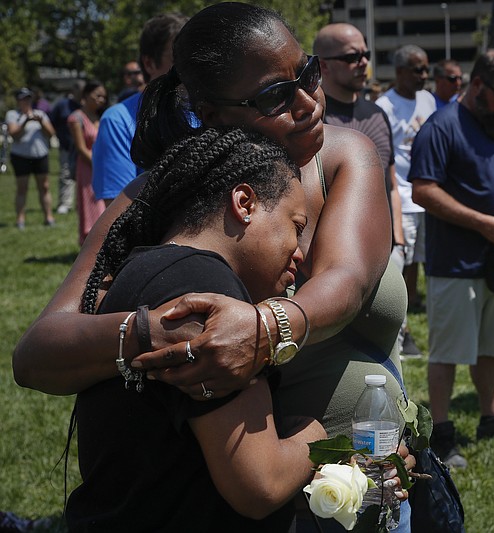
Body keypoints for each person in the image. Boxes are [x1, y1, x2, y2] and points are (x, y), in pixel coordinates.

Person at [13, 4, 412, 529]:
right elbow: (38, 353)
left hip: (366, 481)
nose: (308, 101)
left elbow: (347, 282)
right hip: (246, 503)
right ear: (212, 110)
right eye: (275, 94)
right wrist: (154, 334)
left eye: (308, 73)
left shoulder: (343, 156)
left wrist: (263, 328)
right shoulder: (165, 195)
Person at [66, 128, 326, 531]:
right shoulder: (205, 288)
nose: (300, 251)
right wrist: (316, 433)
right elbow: (260, 486)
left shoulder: (151, 269)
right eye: (296, 225)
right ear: (245, 203)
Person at [410, 47, 494, 467]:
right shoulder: (441, 127)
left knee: (491, 347)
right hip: (455, 263)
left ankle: (492, 417)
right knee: (449, 352)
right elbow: (423, 190)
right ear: (477, 86)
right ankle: (442, 433)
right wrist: (480, 223)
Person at [313, 23, 405, 265]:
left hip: (387, 252)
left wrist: (400, 242)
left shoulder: (378, 114)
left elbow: (392, 184)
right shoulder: (310, 117)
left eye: (366, 55)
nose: (363, 62)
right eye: (352, 57)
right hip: (334, 258)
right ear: (324, 65)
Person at [376, 45, 436, 357]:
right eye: (417, 70)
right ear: (399, 72)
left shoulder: (428, 100)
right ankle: (399, 329)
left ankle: (410, 320)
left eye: (426, 69)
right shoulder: (384, 106)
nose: (423, 76)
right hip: (403, 198)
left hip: (430, 197)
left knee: (420, 266)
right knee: (402, 264)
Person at [92, 13, 187, 206]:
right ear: (149, 63)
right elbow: (121, 217)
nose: (191, 64)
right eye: (178, 56)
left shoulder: (211, 111)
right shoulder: (117, 121)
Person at [5, 87, 56, 229]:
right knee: (22, 188)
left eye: (28, 98)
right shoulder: (12, 115)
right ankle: (20, 219)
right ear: (18, 100)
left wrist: (40, 122)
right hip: (20, 157)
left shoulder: (40, 114)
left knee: (45, 187)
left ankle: (49, 217)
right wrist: (26, 121)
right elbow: (14, 134)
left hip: (40, 155)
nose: (26, 101)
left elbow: (51, 133)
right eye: (23, 99)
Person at [67, 80, 107, 245]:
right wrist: (97, 166)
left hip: (103, 166)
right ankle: (89, 244)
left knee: (103, 207)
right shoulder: (76, 118)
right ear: (85, 95)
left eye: (103, 97)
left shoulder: (101, 116)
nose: (101, 100)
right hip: (88, 167)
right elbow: (81, 148)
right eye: (97, 95)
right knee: (91, 206)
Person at [50, 80, 84, 215]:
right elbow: (52, 122)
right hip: (66, 146)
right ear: (73, 91)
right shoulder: (62, 105)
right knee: (66, 174)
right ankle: (65, 203)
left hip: (84, 147)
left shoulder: (85, 105)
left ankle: (80, 203)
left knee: (82, 175)